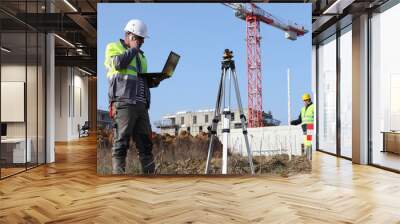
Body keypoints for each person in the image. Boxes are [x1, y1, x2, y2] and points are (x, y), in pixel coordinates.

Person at [105, 19, 160, 174]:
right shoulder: (113, 47)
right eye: (139, 38)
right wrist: (133, 50)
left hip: (141, 105)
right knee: (121, 143)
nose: (141, 42)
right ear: (128, 35)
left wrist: (155, 80)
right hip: (124, 103)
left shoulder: (142, 57)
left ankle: (150, 179)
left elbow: (139, 79)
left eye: (142, 39)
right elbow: (117, 64)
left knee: (145, 145)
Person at [291, 93, 314, 160]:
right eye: (303, 100)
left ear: (308, 100)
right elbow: (300, 120)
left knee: (309, 142)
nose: (304, 102)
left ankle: (310, 158)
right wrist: (292, 122)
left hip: (310, 127)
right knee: (306, 142)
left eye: (305, 100)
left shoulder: (313, 107)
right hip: (304, 128)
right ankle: (308, 157)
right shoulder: (303, 109)